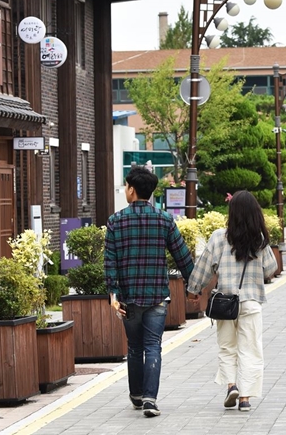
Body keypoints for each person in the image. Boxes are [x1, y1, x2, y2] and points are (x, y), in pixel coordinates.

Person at [104, 166, 194, 418]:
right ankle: (150, 400)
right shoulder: (164, 220)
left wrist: (113, 293)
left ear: (132, 190)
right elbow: (182, 256)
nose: (125, 190)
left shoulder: (116, 221)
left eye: (126, 186)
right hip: (157, 295)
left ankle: (135, 394)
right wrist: (194, 287)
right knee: (153, 345)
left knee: (134, 346)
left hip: (128, 297)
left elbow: (110, 261)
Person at [187, 190, 278, 412]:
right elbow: (271, 268)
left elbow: (204, 268)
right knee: (250, 350)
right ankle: (245, 398)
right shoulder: (260, 240)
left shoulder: (219, 237)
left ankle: (231, 386)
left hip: (225, 304)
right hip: (251, 303)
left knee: (227, 347)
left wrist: (193, 290)